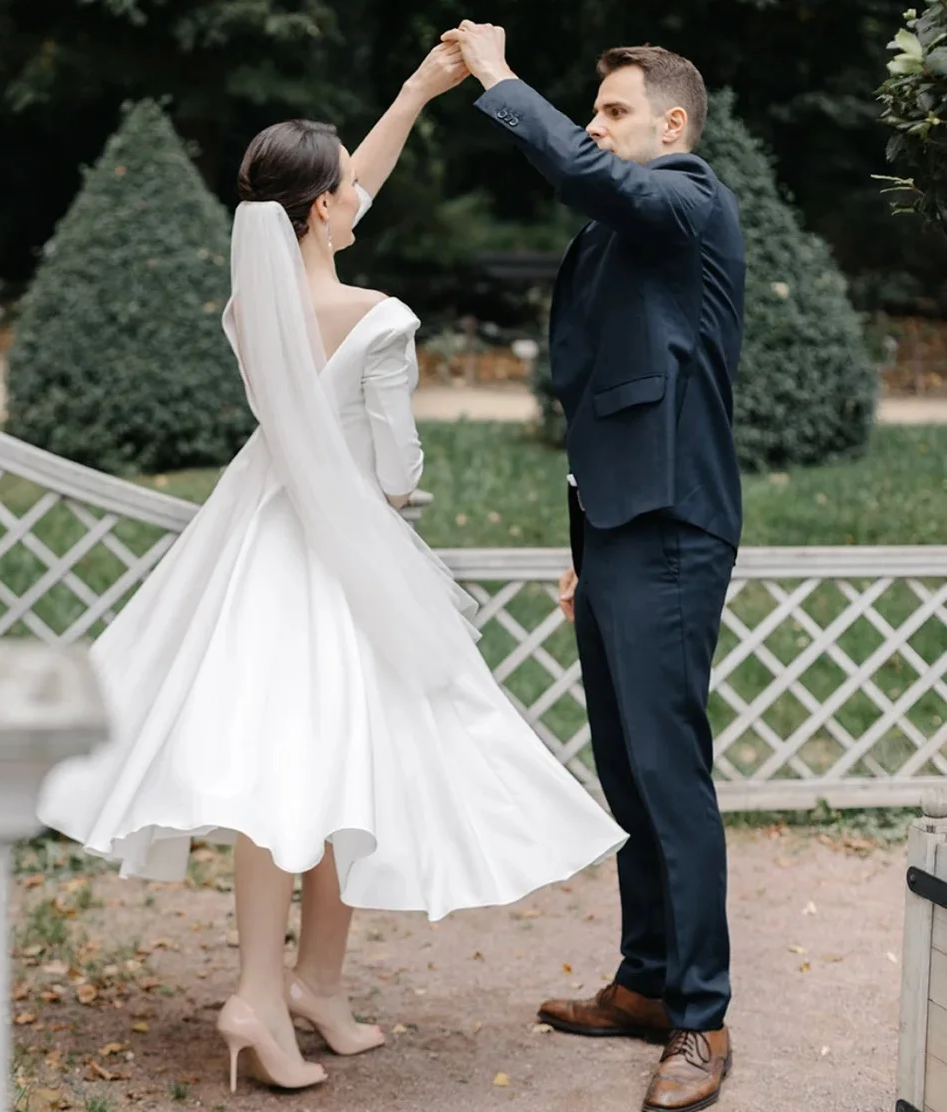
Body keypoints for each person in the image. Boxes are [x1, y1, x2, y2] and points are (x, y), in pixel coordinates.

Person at [36, 41, 626, 1096]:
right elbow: (395, 467)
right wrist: (399, 489)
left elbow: (339, 209)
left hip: (254, 541)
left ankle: (311, 983)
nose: (363, 190)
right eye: (347, 185)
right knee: (313, 766)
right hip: (336, 554)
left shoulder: (249, 303)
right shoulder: (381, 316)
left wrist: (416, 90)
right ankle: (260, 997)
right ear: (320, 211)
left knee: (313, 760)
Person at [442, 23, 745, 1112]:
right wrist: (586, 542)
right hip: (619, 524)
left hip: (672, 524)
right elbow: (613, 387)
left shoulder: (689, 196)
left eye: (613, 111)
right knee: (626, 770)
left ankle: (702, 1017)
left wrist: (498, 77)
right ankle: (647, 982)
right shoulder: (628, 226)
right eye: (594, 111)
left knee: (669, 772)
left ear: (670, 125)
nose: (593, 128)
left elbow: (577, 168)